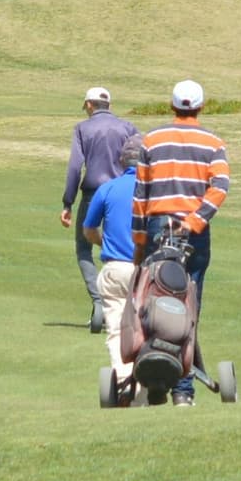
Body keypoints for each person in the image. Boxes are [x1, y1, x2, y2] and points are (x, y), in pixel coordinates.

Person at [131, 81, 232, 395]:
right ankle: (183, 389)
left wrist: (138, 244)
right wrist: (194, 222)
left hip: (157, 225)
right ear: (201, 106)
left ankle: (156, 378)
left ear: (172, 106)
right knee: (188, 303)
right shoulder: (213, 143)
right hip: (193, 233)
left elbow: (140, 198)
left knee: (152, 299)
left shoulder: (152, 140)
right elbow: (220, 187)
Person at [60, 84, 141, 326]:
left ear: (88, 105)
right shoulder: (127, 127)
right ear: (110, 105)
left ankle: (99, 301)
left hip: (93, 194)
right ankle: (126, 302)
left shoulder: (82, 128)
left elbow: (75, 167)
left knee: (84, 248)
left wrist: (67, 203)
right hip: (125, 194)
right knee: (126, 246)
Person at [77, 158, 142, 340]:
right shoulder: (157, 191)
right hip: (147, 271)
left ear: (122, 163)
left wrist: (105, 243)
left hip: (115, 268)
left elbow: (89, 230)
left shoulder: (107, 188)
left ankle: (121, 368)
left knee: (117, 333)